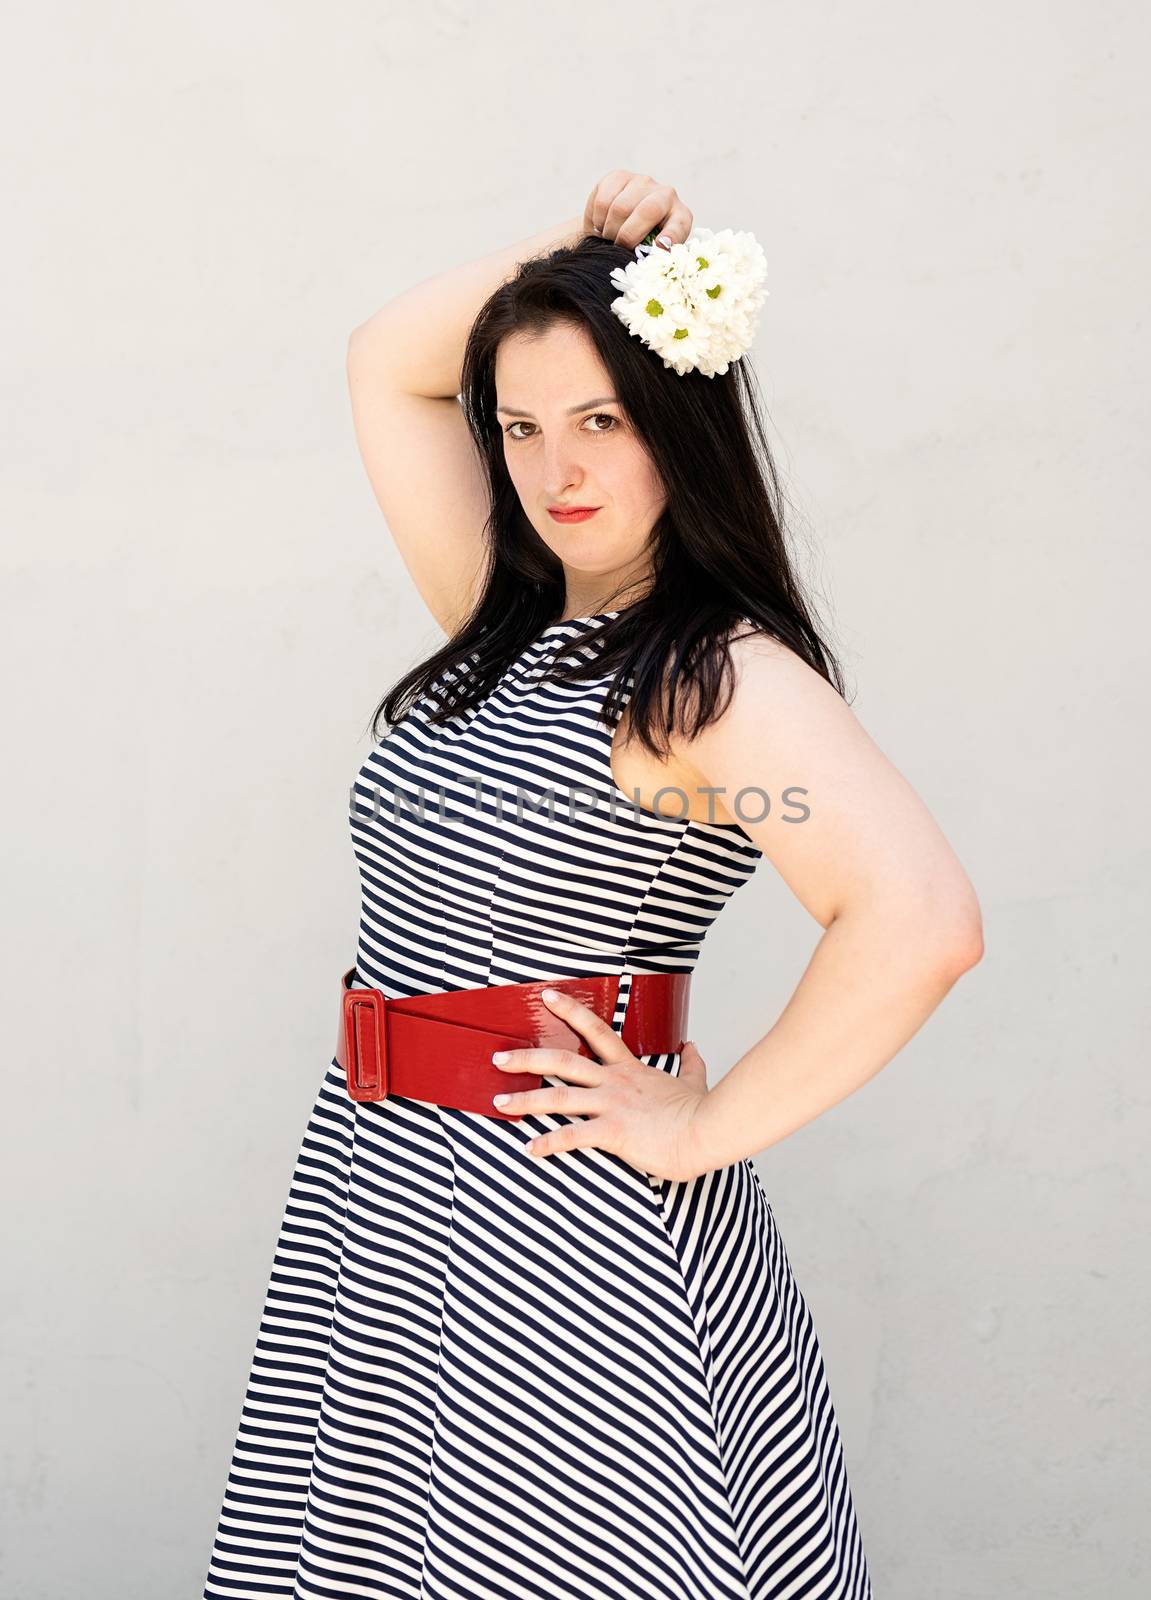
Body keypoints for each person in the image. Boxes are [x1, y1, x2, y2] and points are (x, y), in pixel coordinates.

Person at [202, 169, 983, 1600]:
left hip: (563, 1235)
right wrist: (586, 263)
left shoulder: (707, 682)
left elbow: (920, 919)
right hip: (380, 1199)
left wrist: (707, 1128)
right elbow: (386, 361)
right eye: (521, 428)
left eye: (603, 421)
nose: (557, 468)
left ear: (677, 423)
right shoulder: (499, 622)